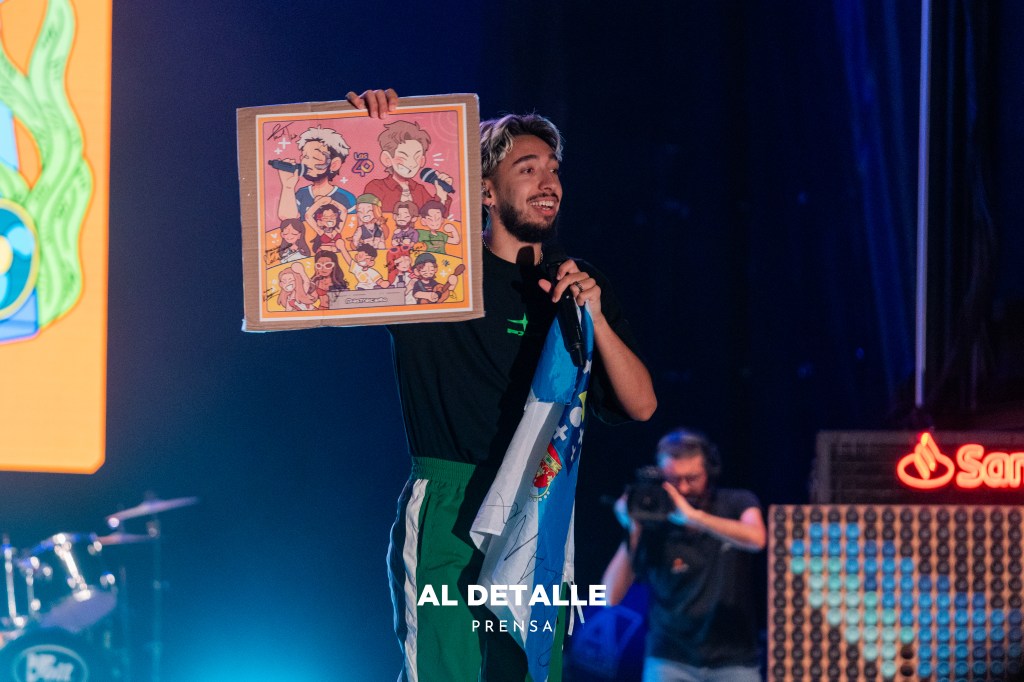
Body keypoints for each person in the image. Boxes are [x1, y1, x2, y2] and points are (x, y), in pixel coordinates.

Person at [347, 88, 657, 682]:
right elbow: (346, 231)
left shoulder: (577, 284)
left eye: (554, 170)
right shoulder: (429, 273)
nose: (549, 182)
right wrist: (372, 128)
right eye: (528, 167)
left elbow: (641, 404)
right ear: (484, 190)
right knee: (445, 672)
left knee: (531, 672)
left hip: (538, 506)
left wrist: (591, 316)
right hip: (450, 504)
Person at [602, 429, 766, 682]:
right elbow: (610, 596)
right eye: (674, 480)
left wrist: (694, 517)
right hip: (670, 659)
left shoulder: (737, 502)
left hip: (735, 660)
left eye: (692, 478)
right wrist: (632, 528)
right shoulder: (654, 522)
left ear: (709, 472)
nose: (683, 488)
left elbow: (757, 538)